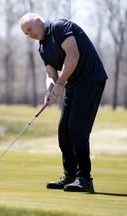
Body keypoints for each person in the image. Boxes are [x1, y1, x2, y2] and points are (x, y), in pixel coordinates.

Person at [19, 12, 108, 193]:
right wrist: (50, 89)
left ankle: (84, 179)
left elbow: (73, 56)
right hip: (73, 83)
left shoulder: (59, 27)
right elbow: (51, 74)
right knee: (63, 130)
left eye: (29, 30)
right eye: (26, 34)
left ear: (38, 21)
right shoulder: (42, 48)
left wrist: (60, 84)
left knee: (77, 129)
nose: (30, 35)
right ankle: (70, 176)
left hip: (91, 79)